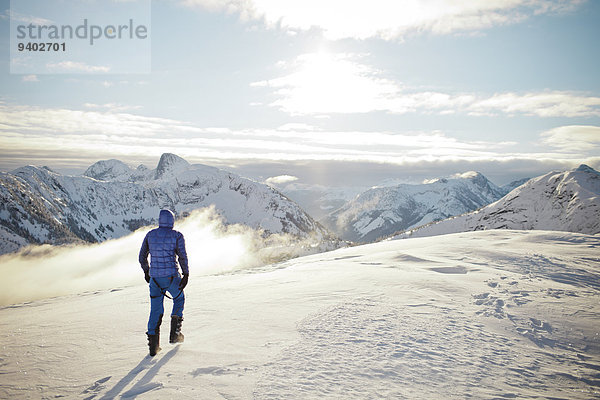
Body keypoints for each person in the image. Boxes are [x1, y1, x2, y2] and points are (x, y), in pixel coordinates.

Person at [139, 209, 189, 356]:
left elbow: (142, 257)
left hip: (155, 280)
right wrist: (186, 274)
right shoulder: (177, 236)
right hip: (172, 277)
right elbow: (182, 257)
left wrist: (147, 272)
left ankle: (153, 347)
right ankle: (175, 332)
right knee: (179, 299)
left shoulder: (150, 235)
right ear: (172, 221)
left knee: (155, 310)